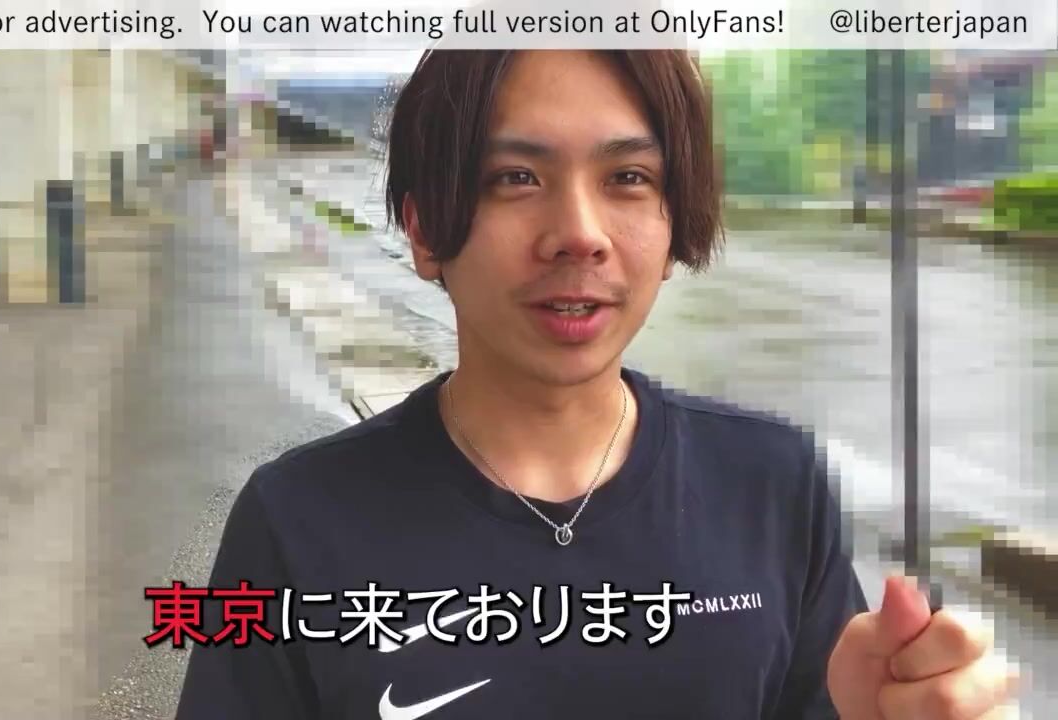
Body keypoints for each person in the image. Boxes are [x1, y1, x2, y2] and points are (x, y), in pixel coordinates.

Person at [175, 50, 1018, 719]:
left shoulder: (774, 484)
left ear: (674, 220)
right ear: (425, 229)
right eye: (516, 177)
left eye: (628, 178)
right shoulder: (296, 521)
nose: (579, 235)